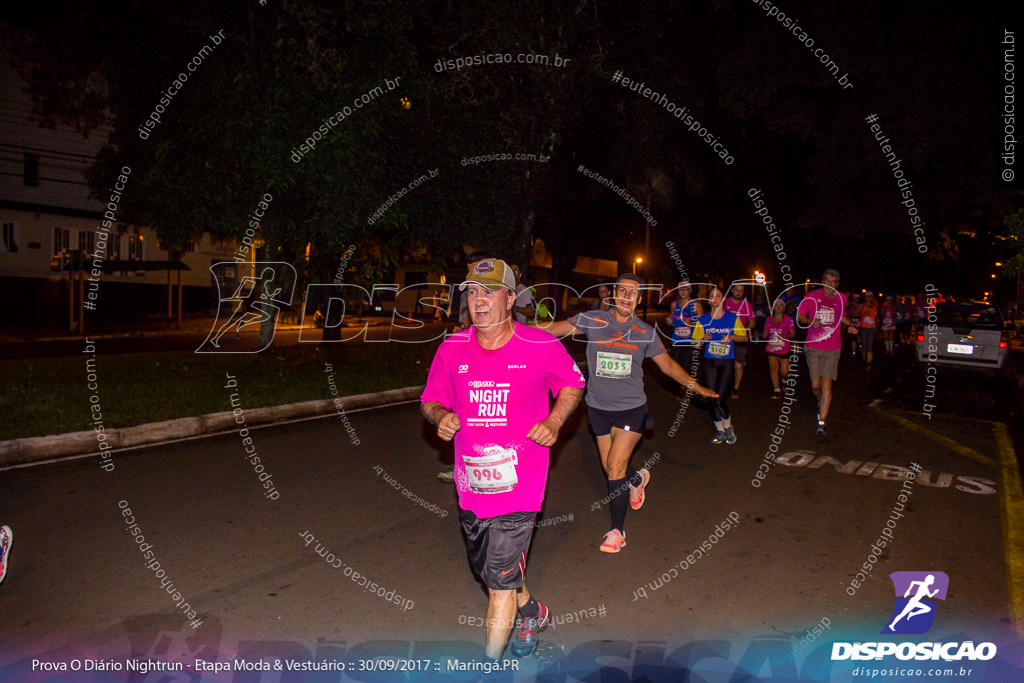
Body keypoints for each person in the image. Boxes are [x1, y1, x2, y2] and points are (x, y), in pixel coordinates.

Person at [421, 258, 585, 660]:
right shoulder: (451, 349)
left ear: (510, 299)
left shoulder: (540, 345)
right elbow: (430, 400)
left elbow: (573, 386)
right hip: (472, 488)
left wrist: (554, 420)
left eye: (489, 292)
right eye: (473, 292)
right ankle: (531, 611)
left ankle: (488, 667)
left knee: (497, 584)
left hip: (521, 486)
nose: (479, 301)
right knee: (493, 573)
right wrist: (441, 417)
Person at [536, 274, 716, 553]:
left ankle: (617, 531)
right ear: (614, 294)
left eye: (633, 293)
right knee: (611, 467)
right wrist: (510, 329)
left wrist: (696, 386)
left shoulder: (644, 332)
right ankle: (638, 480)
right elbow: (554, 329)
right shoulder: (594, 319)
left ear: (639, 299)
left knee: (615, 468)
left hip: (631, 410)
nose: (626, 296)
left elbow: (667, 366)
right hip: (597, 409)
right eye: (622, 290)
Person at [796, 269, 852, 437]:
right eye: (828, 281)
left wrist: (850, 324)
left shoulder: (842, 297)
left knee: (827, 385)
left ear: (838, 284)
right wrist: (811, 321)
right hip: (813, 346)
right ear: (822, 281)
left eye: (834, 283)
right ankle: (821, 403)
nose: (830, 285)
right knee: (815, 386)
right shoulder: (812, 296)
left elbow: (842, 315)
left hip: (832, 347)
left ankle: (822, 422)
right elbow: (800, 316)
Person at [692, 285, 747, 443]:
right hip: (710, 362)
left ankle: (728, 428)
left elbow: (744, 338)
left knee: (720, 399)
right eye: (712, 296)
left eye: (718, 296)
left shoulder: (732, 318)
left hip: (726, 363)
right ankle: (719, 431)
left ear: (723, 300)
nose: (715, 299)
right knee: (711, 398)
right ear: (709, 300)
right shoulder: (703, 320)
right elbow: (695, 341)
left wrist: (732, 337)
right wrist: (704, 339)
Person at [663, 281, 704, 379]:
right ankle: (680, 389)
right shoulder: (674, 305)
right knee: (675, 368)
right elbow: (675, 323)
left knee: (686, 368)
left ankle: (686, 391)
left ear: (690, 291)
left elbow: (703, 325)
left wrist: (691, 323)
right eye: (681, 289)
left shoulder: (696, 305)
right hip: (676, 341)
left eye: (685, 289)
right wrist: (670, 322)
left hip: (690, 342)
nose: (683, 292)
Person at [723, 283, 753, 399]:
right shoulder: (725, 302)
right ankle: (722, 386)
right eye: (736, 290)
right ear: (732, 290)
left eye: (741, 291)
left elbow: (752, 321)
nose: (738, 293)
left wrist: (746, 330)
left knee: (738, 365)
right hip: (725, 338)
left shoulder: (746, 305)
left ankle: (735, 389)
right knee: (724, 364)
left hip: (740, 340)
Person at [763, 298, 796, 398]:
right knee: (774, 370)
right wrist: (763, 334)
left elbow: (792, 334)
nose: (778, 307)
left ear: (784, 307)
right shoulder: (769, 319)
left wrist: (783, 336)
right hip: (771, 348)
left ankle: (784, 381)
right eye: (776, 305)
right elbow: (765, 334)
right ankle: (776, 390)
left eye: (780, 305)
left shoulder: (788, 319)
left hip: (784, 349)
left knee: (784, 372)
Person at [859, 291, 879, 368]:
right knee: (864, 345)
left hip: (872, 328)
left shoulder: (874, 306)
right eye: (867, 296)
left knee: (870, 345)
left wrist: (877, 318)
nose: (869, 298)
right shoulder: (862, 305)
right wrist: (862, 314)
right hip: (863, 328)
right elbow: (854, 314)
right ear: (865, 297)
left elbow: (876, 316)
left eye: (870, 296)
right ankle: (864, 360)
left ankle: (868, 363)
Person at [845, 293, 863, 359]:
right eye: (854, 298)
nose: (855, 299)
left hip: (860, 323)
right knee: (853, 338)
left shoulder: (861, 305)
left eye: (857, 298)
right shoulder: (851, 306)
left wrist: (858, 316)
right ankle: (853, 352)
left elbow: (863, 314)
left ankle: (860, 347)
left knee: (859, 336)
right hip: (853, 323)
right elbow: (849, 315)